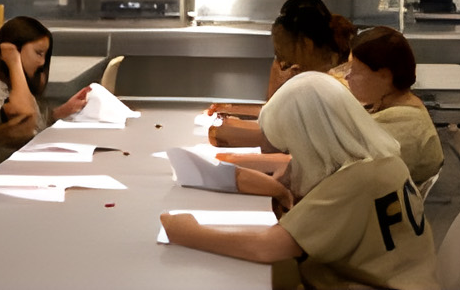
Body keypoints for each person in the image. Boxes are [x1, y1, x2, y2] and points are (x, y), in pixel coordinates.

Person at [161, 72, 439, 290]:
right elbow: (290, 174)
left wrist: (187, 232)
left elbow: (266, 247)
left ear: (313, 140)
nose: (291, 154)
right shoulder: (383, 159)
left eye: (292, 145)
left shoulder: (354, 183)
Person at [209, 0, 355, 149]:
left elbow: (278, 139)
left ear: (307, 45)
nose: (281, 61)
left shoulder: (337, 82)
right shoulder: (304, 72)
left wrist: (277, 90)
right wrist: (231, 109)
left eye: (282, 50)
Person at [342, 28, 444, 188]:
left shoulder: (403, 128)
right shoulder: (396, 105)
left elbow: (349, 181)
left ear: (385, 75)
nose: (347, 77)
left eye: (355, 70)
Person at [0, 16, 91, 163]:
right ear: (12, 48)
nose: (41, 62)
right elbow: (25, 117)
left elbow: (36, 128)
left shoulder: (15, 84)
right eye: (39, 53)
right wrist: (14, 61)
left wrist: (59, 113)